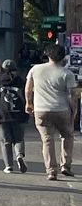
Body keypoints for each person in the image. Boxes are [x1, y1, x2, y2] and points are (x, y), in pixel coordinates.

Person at [25, 44, 79, 181]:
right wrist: (74, 112)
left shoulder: (35, 69)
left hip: (41, 109)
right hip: (61, 109)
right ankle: (65, 166)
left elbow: (28, 89)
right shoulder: (67, 74)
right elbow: (73, 96)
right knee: (67, 136)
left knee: (47, 140)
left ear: (47, 55)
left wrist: (28, 102)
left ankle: (51, 171)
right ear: (63, 57)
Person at [0, 59, 30, 174]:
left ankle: (9, 166)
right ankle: (19, 155)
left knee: (5, 140)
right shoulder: (21, 80)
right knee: (19, 138)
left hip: (1, 115)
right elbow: (29, 93)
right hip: (19, 114)